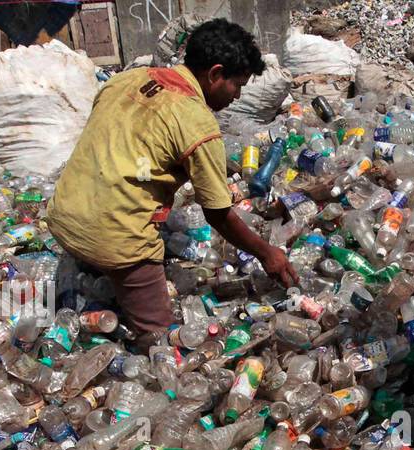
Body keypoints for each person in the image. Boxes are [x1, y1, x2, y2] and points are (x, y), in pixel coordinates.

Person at [46, 19, 298, 340]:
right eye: (237, 85)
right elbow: (217, 213)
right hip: (116, 239)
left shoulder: (125, 81)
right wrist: (267, 253)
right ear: (215, 74)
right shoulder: (197, 122)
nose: (237, 96)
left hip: (63, 217)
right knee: (164, 341)